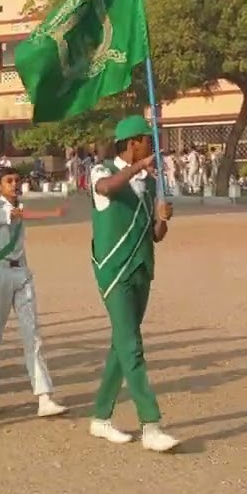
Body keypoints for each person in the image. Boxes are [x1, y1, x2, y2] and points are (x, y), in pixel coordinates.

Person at [87, 115, 180, 453]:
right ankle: (150, 424)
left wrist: (163, 219)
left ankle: (100, 417)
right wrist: (139, 167)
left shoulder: (150, 183)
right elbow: (106, 189)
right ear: (132, 143)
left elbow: (156, 235)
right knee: (132, 345)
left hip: (141, 267)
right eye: (147, 140)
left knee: (121, 344)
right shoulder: (101, 171)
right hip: (114, 270)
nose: (151, 146)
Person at [0, 166, 68, 417]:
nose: (15, 185)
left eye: (17, 180)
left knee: (33, 335)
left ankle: (44, 396)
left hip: (21, 272)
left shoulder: (16, 204)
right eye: (9, 181)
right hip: (0, 273)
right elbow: (19, 214)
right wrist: (53, 212)